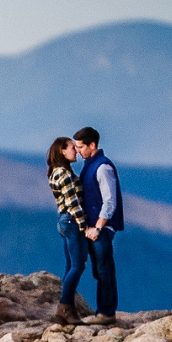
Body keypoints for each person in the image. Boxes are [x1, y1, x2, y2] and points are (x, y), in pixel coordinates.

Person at [74, 126, 123, 322]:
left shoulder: (103, 168)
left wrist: (99, 227)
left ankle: (107, 313)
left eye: (80, 147)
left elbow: (109, 200)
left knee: (104, 269)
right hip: (94, 228)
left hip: (100, 228)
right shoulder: (90, 165)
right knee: (99, 269)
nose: (78, 151)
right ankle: (103, 310)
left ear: (92, 145)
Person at [45, 136, 89, 324]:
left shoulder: (56, 172)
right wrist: (84, 226)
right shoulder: (64, 174)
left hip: (64, 221)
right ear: (62, 151)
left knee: (70, 266)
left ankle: (68, 309)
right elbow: (73, 204)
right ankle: (63, 308)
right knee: (78, 265)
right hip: (72, 221)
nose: (76, 151)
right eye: (72, 147)